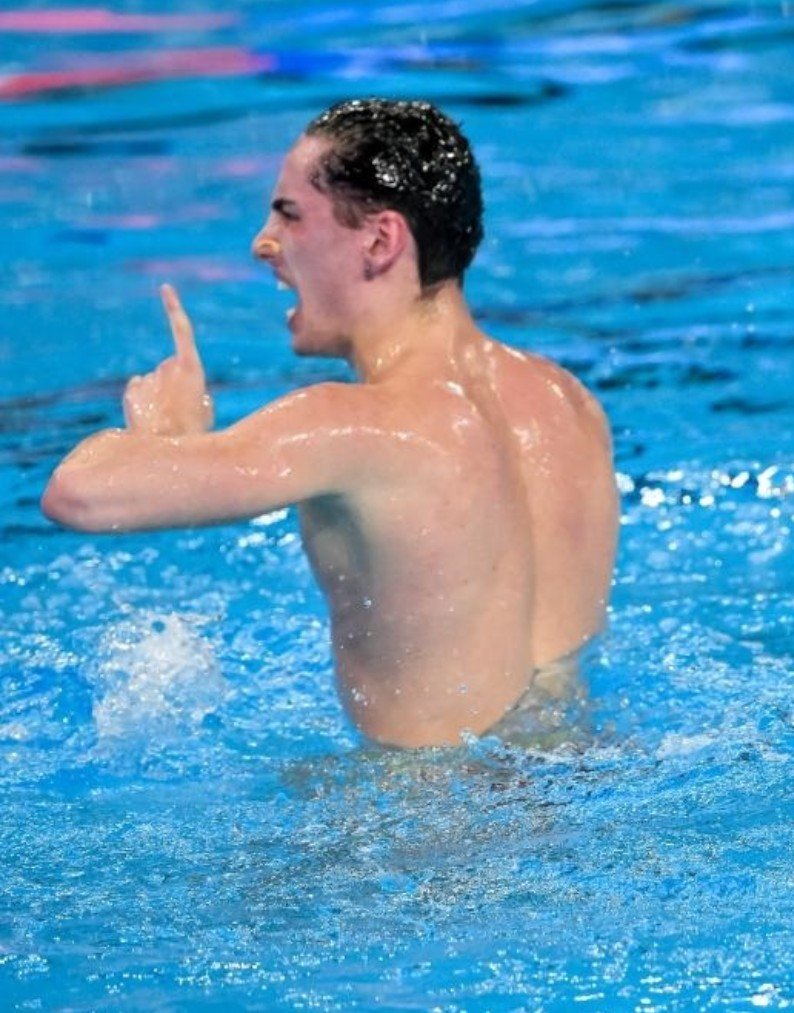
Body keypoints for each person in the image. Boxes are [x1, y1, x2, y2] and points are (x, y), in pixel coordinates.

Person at [41, 99, 620, 748]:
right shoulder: (566, 401)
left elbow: (78, 492)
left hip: (425, 829)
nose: (263, 242)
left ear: (379, 241)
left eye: (289, 216)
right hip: (580, 782)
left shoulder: (353, 426)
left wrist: (162, 440)